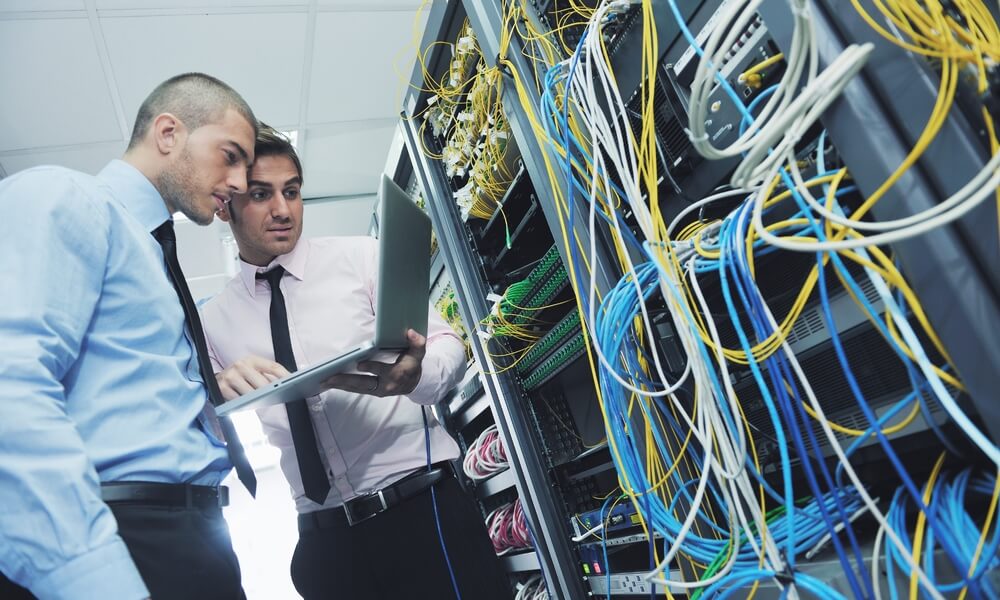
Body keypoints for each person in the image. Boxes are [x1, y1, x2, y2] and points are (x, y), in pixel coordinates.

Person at [202, 125, 510, 599]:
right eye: (261, 194)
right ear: (225, 205)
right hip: (326, 544)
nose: (283, 210)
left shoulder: (361, 259)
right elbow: (204, 434)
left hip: (421, 512)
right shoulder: (213, 322)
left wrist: (414, 376)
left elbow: (450, 347)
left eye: (292, 192)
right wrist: (215, 391)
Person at [0, 73, 260, 600]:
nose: (238, 182)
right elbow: (11, 387)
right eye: (230, 155)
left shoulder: (150, 255)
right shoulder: (65, 196)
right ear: (168, 133)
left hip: (188, 535)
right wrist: (89, 577)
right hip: (127, 534)